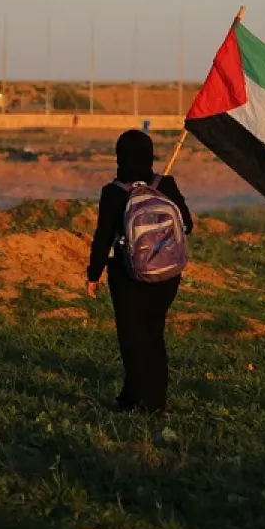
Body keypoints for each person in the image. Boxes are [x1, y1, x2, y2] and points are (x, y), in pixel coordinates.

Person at [87, 130, 193, 414]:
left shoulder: (113, 192)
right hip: (168, 275)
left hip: (128, 276)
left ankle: (136, 401)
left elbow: (103, 237)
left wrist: (93, 274)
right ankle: (153, 400)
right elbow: (188, 225)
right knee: (153, 334)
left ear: (119, 157)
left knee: (132, 338)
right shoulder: (165, 183)